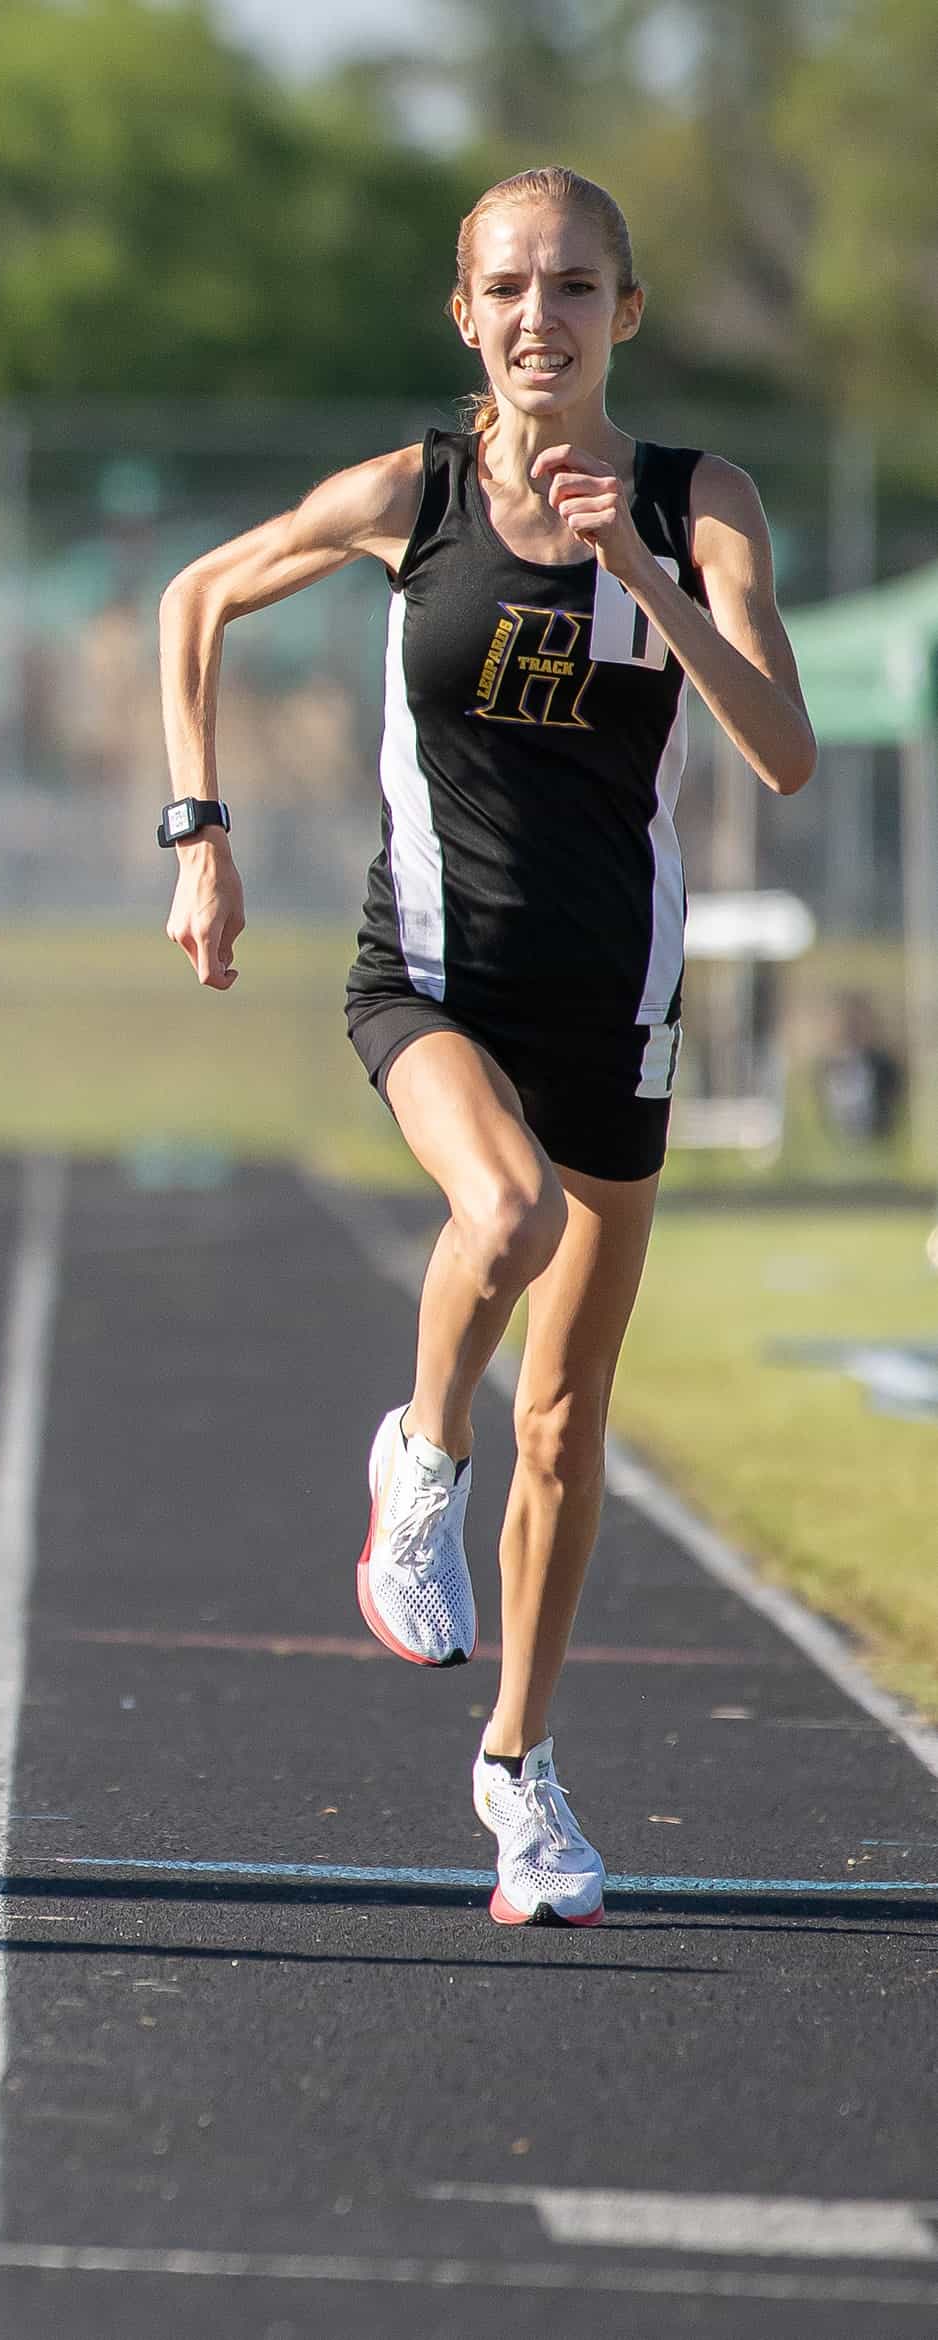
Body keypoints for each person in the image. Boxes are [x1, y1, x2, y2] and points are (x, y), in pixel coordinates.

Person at [157, 166, 816, 1927]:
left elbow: (778, 754)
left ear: (626, 309)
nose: (542, 317)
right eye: (509, 287)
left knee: (571, 1425)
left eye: (575, 286)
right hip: (431, 975)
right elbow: (197, 600)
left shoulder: (702, 501)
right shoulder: (412, 494)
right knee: (502, 1215)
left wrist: (638, 570)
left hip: (617, 1002)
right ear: (466, 315)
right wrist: (198, 831)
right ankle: (412, 1459)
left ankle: (518, 1773)